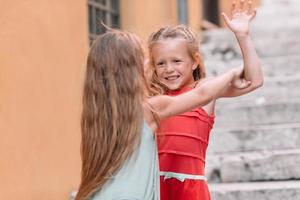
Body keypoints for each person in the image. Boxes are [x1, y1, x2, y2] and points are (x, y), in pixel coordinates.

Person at [75, 28, 251, 200]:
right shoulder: (152, 108)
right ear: (131, 71)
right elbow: (202, 94)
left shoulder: (98, 119)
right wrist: (234, 70)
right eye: (141, 60)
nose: (147, 65)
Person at [147, 1, 263, 200]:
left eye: (176, 61)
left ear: (194, 62)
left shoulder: (204, 91)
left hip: (191, 192)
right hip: (154, 189)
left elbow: (254, 81)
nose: (168, 69)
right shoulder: (154, 98)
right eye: (161, 63)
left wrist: (242, 36)